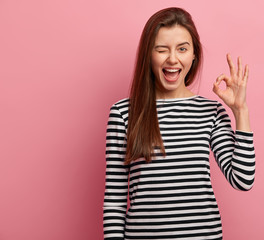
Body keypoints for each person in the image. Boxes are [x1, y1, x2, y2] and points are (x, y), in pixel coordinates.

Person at [103, 7, 255, 240]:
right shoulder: (123, 113)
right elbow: (114, 200)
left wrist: (240, 111)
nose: (172, 59)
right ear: (148, 54)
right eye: (162, 49)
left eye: (182, 49)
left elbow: (242, 179)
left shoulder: (211, 112)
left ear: (194, 54)